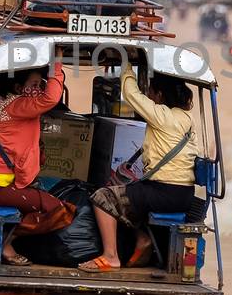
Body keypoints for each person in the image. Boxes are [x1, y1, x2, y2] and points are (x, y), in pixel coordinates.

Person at [83, 72, 199, 271]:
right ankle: (142, 238)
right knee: (130, 193)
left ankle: (111, 256)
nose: (149, 97)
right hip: (183, 194)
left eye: (151, 93)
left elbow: (131, 94)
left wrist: (126, 64)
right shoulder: (186, 119)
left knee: (103, 197)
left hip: (165, 192)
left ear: (160, 95)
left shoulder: (163, 115)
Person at [0, 64, 75, 265]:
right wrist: (57, 61)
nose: (39, 89)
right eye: (35, 85)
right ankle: (3, 240)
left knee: (34, 200)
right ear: (19, 88)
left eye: (41, 84)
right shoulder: (16, 106)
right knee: (57, 208)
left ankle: (5, 239)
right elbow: (51, 98)